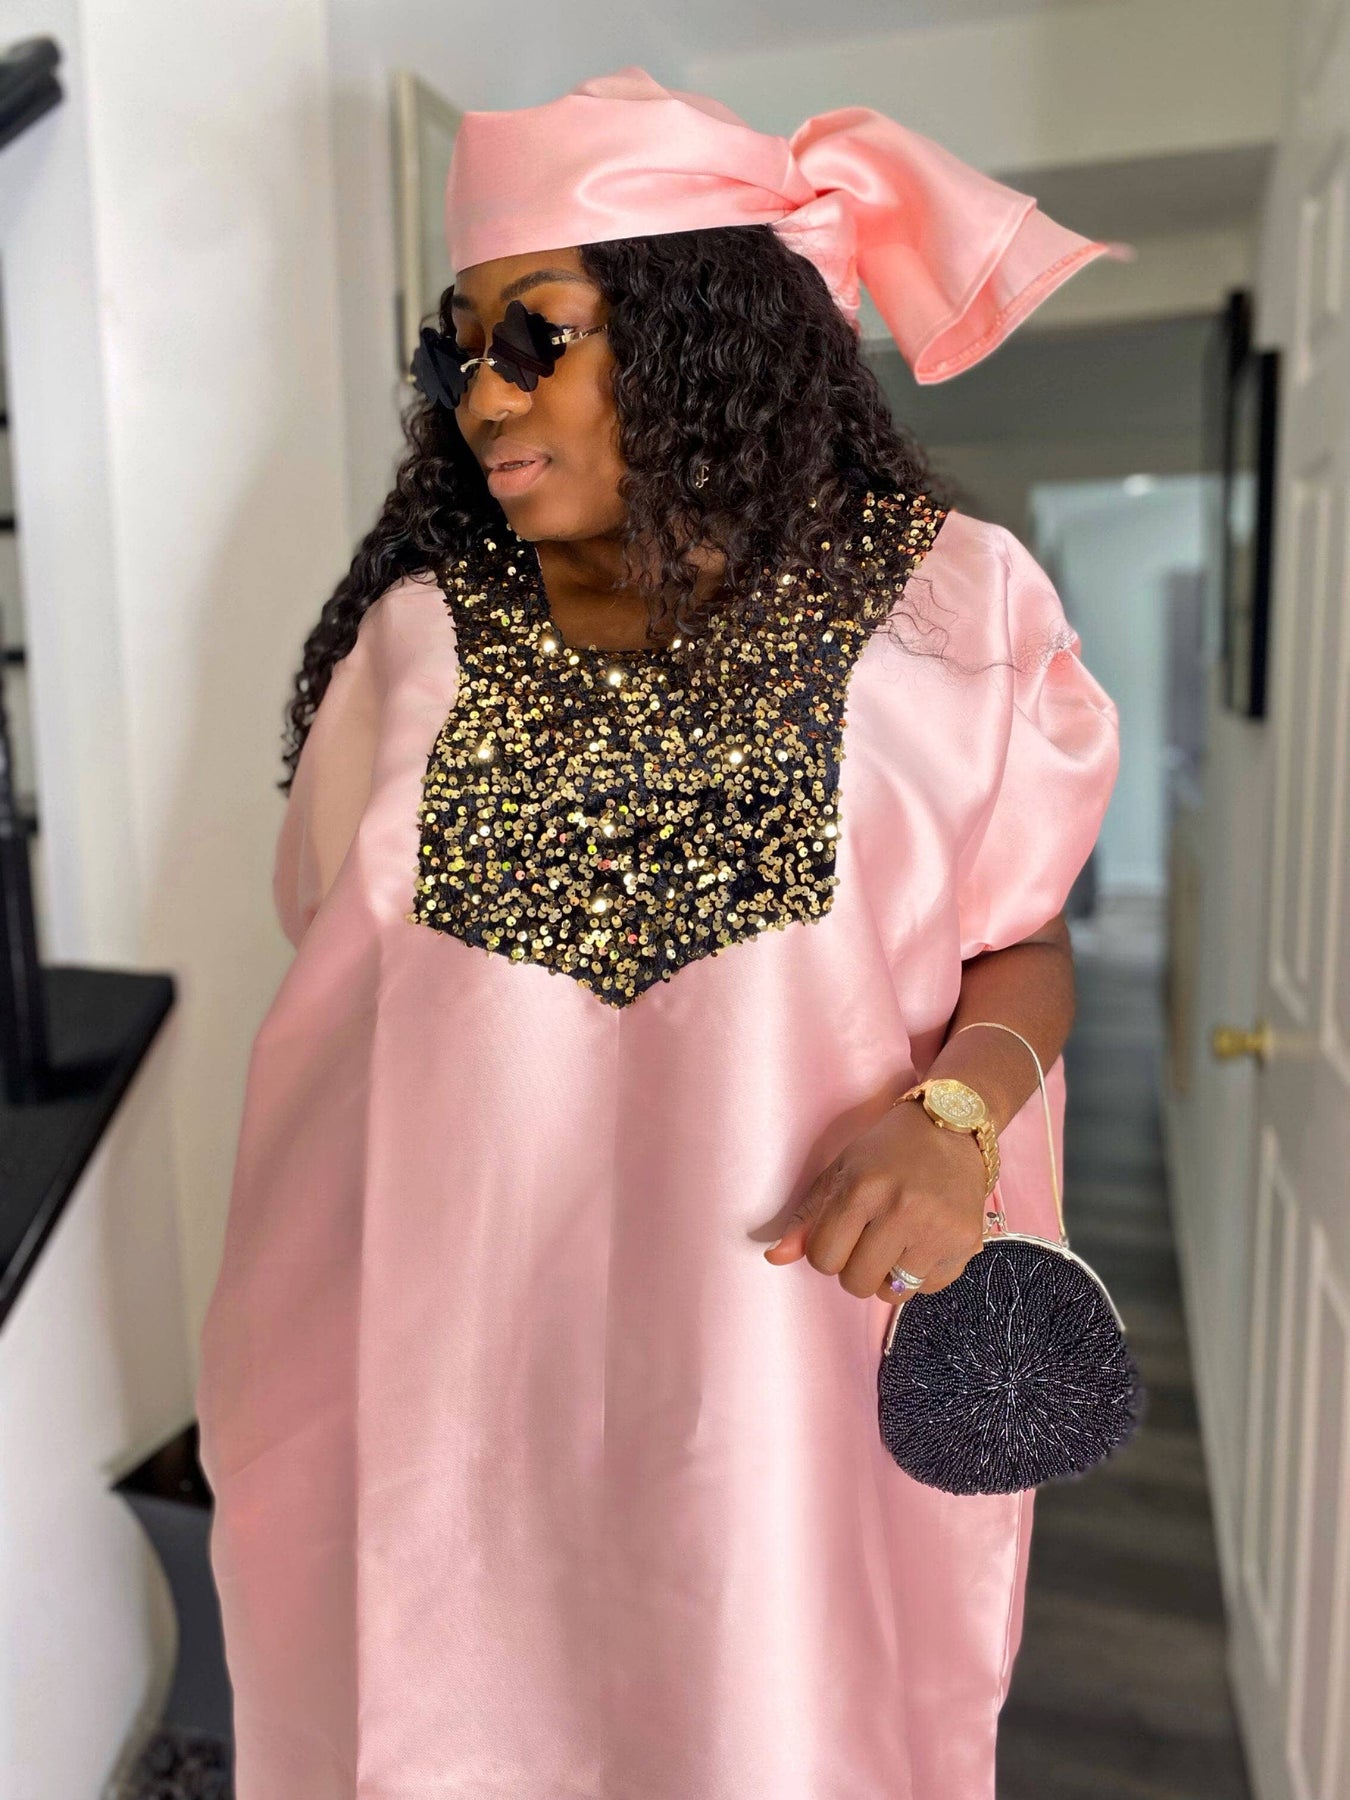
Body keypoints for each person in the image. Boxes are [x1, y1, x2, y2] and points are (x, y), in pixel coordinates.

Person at [196, 65, 1124, 1800]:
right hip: (437, 1384)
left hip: (776, 1400)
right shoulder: (413, 641)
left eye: (532, 338)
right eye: (454, 355)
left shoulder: (946, 606)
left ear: (704, 331)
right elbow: (344, 995)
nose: (481, 397)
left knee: (765, 1734)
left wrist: (956, 1116)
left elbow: (1021, 935)